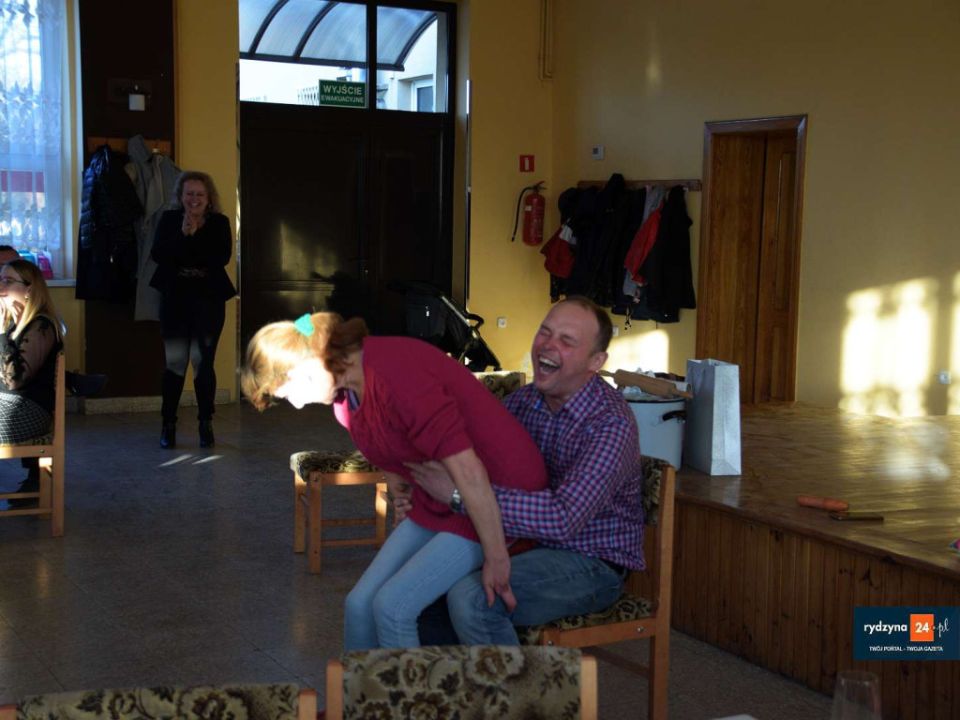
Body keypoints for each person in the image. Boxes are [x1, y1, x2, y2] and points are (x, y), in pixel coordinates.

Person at [240, 312, 548, 650]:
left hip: (494, 499)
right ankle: (361, 686)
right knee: (359, 604)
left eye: (290, 392)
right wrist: (401, 493)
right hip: (442, 496)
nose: (298, 405)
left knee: (393, 609)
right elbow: (387, 446)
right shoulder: (345, 398)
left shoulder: (398, 375)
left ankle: (401, 687)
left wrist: (497, 558)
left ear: (310, 364)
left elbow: (471, 472)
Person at [407, 296, 645, 644]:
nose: (548, 345)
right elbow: (475, 461)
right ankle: (457, 680)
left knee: (474, 599)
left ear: (596, 362)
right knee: (421, 586)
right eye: (545, 332)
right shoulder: (523, 401)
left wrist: (461, 496)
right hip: (524, 542)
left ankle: (516, 681)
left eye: (566, 341)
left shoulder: (611, 423)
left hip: (591, 562)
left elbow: (562, 520)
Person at [150, 171, 236, 449]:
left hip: (208, 300)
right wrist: (183, 235)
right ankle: (168, 424)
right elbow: (159, 255)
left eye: (200, 194)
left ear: (209, 198)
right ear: (181, 196)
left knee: (203, 363)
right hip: (175, 299)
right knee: (175, 364)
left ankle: (205, 423)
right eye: (189, 194)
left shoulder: (220, 222)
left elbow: (220, 258)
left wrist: (194, 237)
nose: (194, 199)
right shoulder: (169, 220)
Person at [0, 259, 64, 508]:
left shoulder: (42, 325)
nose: (1, 286)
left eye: (8, 281)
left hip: (29, 412)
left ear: (29, 289)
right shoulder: (13, 325)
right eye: (0, 280)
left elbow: (14, 380)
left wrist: (0, 333)